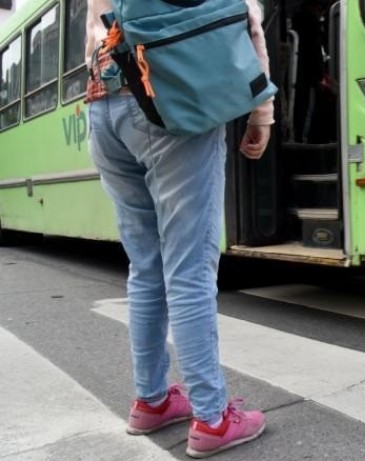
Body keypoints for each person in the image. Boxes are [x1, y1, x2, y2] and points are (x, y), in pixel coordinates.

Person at [84, 0, 274, 457]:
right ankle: (212, 418)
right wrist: (261, 112)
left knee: (146, 266)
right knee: (189, 269)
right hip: (171, 97)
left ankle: (151, 401)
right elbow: (246, 20)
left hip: (103, 105)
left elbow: (97, 30)